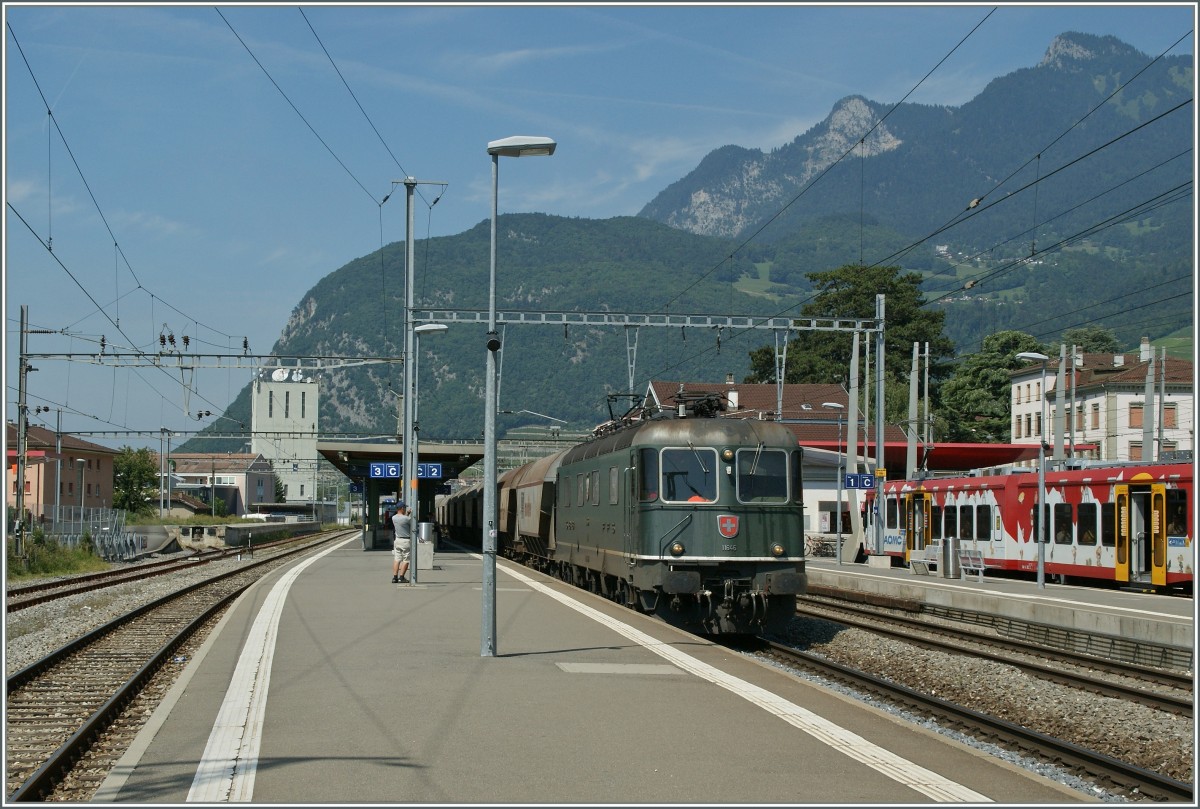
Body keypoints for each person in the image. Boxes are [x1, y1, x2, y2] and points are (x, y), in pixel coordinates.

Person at [391, 501, 415, 584]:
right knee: (406, 559)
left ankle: (394, 577)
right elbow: (411, 524)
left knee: (397, 559)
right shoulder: (407, 518)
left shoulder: (393, 518)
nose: (405, 509)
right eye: (404, 508)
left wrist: (407, 514)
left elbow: (403, 521)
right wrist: (410, 514)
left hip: (397, 540)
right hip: (406, 541)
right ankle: (401, 577)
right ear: (402, 508)